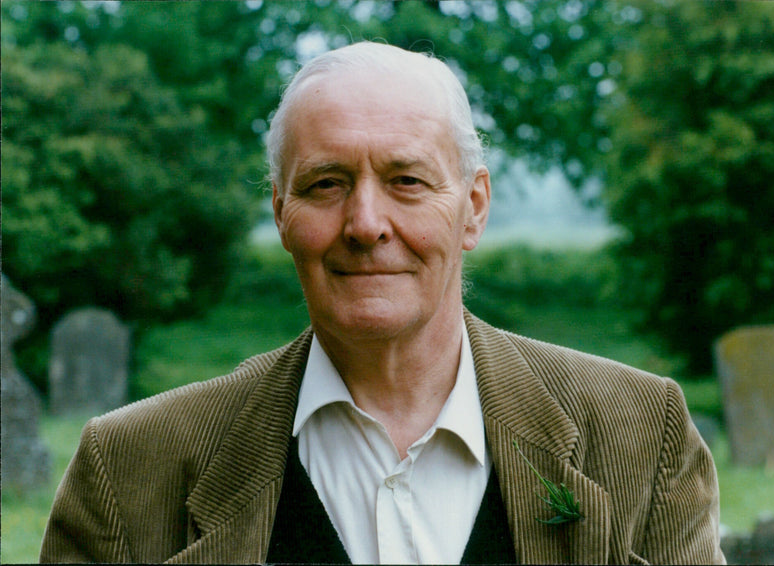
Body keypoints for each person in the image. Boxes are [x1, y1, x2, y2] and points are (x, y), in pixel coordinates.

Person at [40, 41, 725, 564]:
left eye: (406, 180)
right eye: (326, 184)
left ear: (473, 209)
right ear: (281, 212)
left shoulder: (641, 435)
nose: (366, 223)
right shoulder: (128, 467)